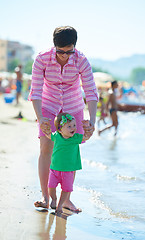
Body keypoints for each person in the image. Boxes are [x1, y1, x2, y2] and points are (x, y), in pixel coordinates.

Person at [28, 26, 98, 211]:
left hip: (73, 105)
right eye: (60, 52)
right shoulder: (42, 59)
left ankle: (65, 199)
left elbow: (91, 92)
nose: (64, 56)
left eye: (69, 51)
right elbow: (35, 91)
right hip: (49, 105)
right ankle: (45, 196)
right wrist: (40, 118)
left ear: (74, 46)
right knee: (46, 147)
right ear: (54, 46)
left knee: (70, 149)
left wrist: (92, 121)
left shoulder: (81, 60)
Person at [45, 112, 90, 214]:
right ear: (60, 129)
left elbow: (86, 137)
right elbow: (48, 135)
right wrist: (46, 127)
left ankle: (60, 206)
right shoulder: (56, 136)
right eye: (69, 126)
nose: (73, 128)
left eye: (74, 125)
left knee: (66, 189)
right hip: (54, 169)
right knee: (51, 186)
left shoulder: (75, 138)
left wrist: (87, 128)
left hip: (68, 171)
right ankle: (54, 199)